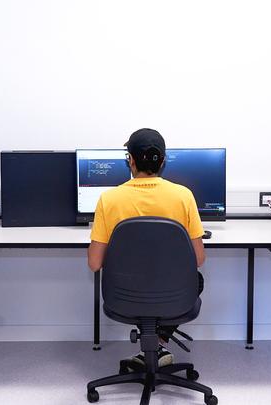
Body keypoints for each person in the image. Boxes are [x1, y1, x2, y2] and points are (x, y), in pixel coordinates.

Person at [87, 128, 206, 368]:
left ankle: (153, 345)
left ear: (129, 159)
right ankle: (160, 341)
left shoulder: (109, 200)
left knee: (137, 284)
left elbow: (94, 263)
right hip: (173, 296)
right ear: (162, 160)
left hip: (122, 297)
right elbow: (199, 259)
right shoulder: (184, 196)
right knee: (197, 279)